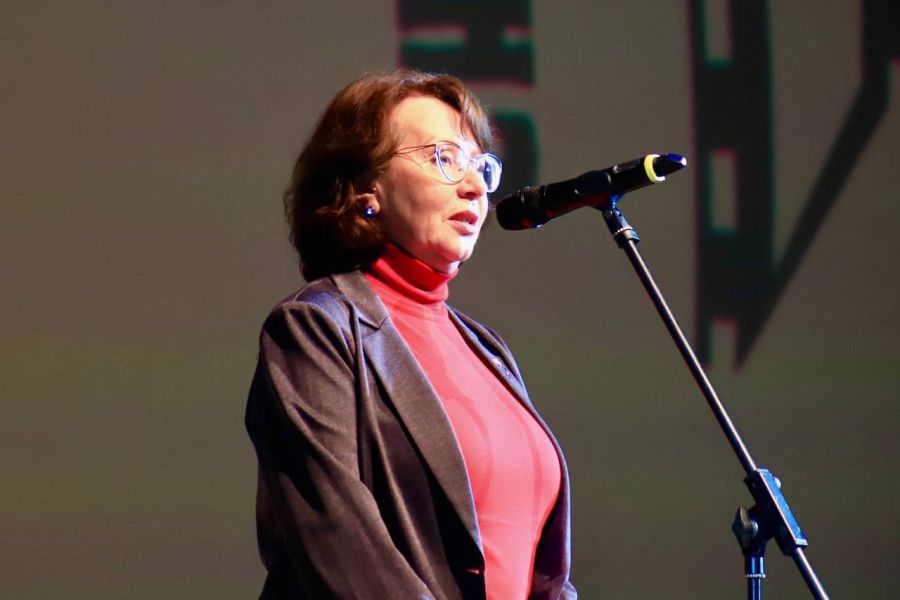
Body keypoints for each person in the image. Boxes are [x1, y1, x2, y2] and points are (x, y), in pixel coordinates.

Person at [245, 69, 576, 600]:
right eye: (444, 158)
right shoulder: (315, 329)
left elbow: (545, 574)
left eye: (480, 166)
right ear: (365, 190)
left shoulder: (487, 350)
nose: (474, 186)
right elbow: (343, 547)